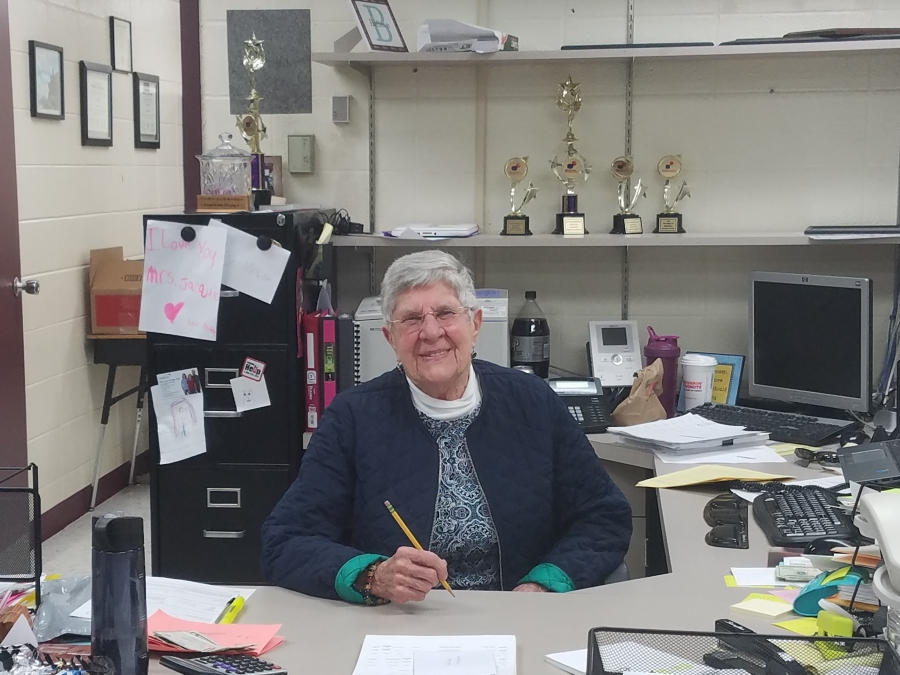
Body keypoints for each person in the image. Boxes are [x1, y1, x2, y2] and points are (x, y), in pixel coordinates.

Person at [261, 250, 632, 605]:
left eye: (445, 313)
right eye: (410, 319)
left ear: (475, 324)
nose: (430, 331)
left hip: (521, 614)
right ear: (390, 338)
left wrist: (544, 585)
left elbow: (603, 517)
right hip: (399, 622)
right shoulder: (352, 418)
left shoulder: (532, 401)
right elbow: (286, 540)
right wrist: (373, 576)